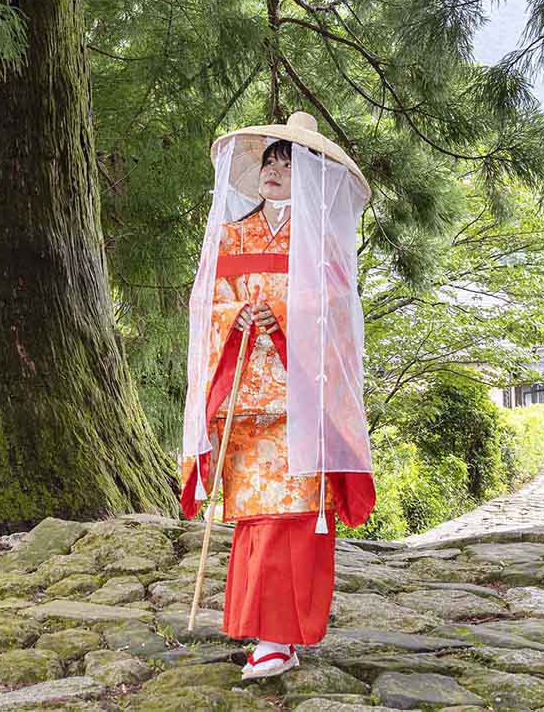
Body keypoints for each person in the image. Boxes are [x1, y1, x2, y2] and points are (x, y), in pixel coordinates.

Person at [180, 111, 376, 680]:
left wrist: (285, 313)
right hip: (243, 396)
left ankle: (277, 637)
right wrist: (238, 313)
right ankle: (264, 632)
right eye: (270, 159)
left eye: (288, 162)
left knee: (292, 516)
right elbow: (204, 306)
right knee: (256, 515)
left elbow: (339, 316)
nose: (274, 169)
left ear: (311, 176)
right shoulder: (230, 235)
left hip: (301, 400)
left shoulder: (321, 246)